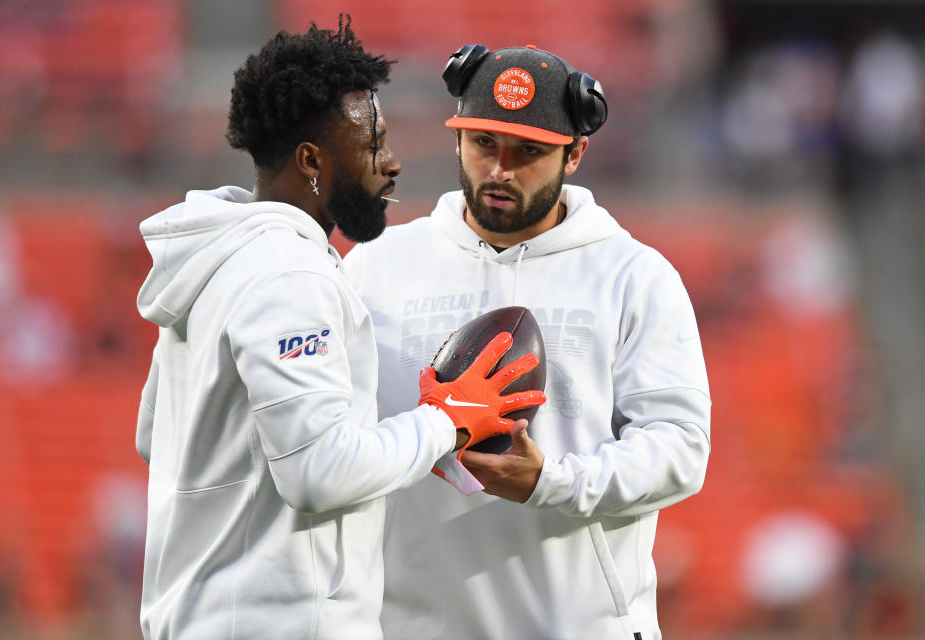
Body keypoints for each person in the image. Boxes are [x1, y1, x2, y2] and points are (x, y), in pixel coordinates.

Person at [133, 22, 545, 640]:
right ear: (311, 160)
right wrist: (446, 421)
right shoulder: (288, 275)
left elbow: (153, 435)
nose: (393, 162)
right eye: (373, 143)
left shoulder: (218, 257)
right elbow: (317, 472)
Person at [344, 44, 712, 640]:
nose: (499, 169)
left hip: (578, 625)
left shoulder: (634, 276)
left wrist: (553, 482)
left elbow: (681, 451)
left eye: (529, 152)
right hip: (409, 625)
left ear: (575, 154)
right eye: (484, 143)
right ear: (456, 139)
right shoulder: (374, 267)